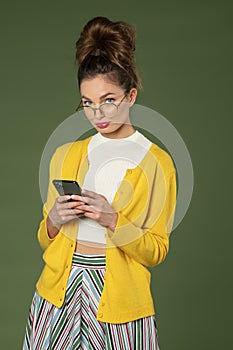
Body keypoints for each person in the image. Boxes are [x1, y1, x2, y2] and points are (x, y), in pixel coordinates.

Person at [23, 16, 177, 350]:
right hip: (57, 294)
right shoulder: (66, 155)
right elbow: (45, 238)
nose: (98, 114)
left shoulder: (157, 164)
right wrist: (55, 220)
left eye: (108, 100)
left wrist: (111, 219)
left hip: (120, 301)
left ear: (131, 95)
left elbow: (156, 251)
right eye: (88, 103)